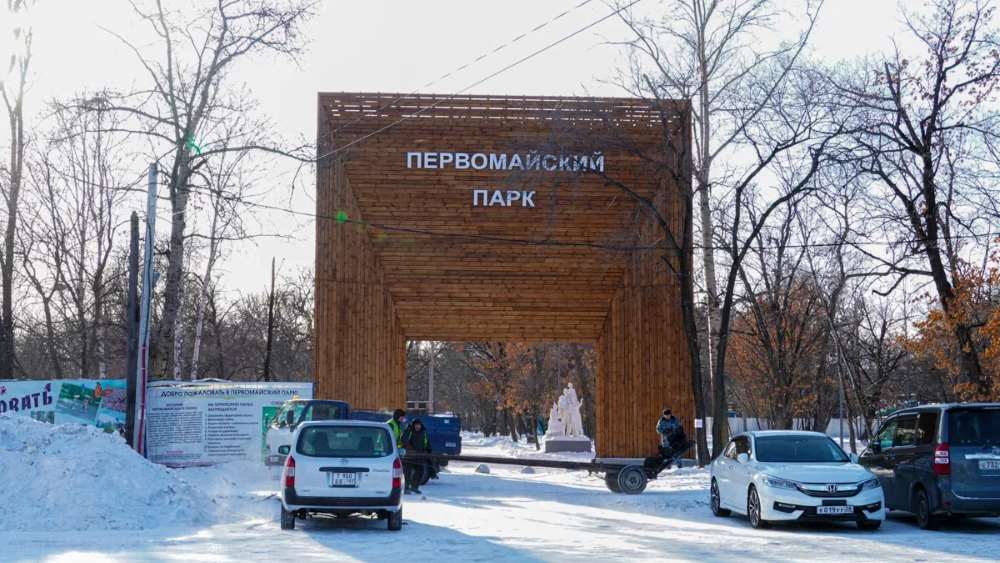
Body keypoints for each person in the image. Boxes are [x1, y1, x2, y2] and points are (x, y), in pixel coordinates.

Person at [401, 418, 432, 494]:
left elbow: (427, 442)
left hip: (419, 456)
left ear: (421, 425)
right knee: (407, 472)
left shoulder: (423, 432)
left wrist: (428, 449)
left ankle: (414, 487)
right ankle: (406, 488)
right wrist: (410, 449)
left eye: (419, 425)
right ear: (413, 425)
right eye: (416, 425)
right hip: (409, 456)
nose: (417, 426)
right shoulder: (409, 431)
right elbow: (404, 440)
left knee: (420, 471)